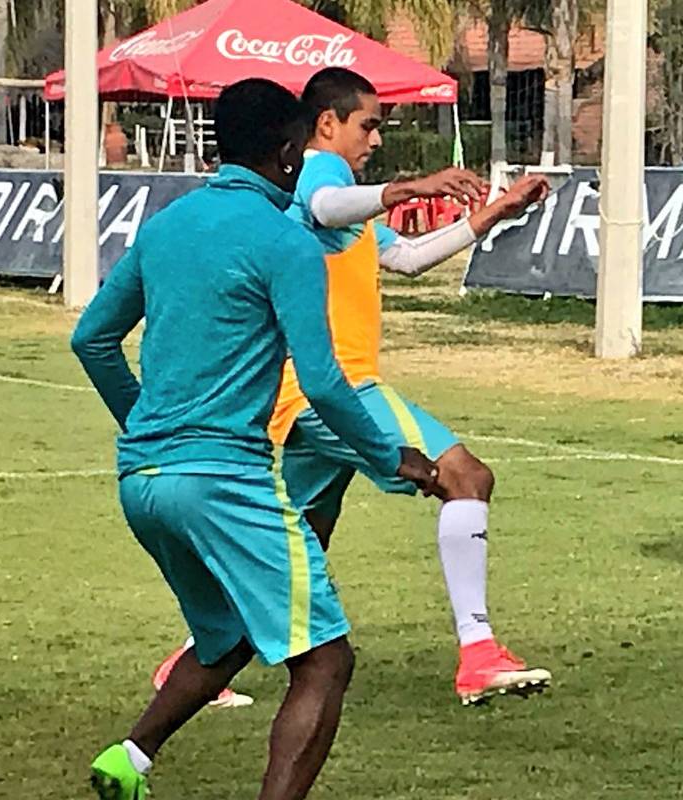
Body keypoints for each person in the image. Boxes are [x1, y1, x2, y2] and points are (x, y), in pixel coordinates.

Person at [72, 77, 437, 800]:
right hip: (224, 480)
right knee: (325, 660)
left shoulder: (168, 225)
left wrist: (147, 426)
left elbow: (92, 339)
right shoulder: (284, 240)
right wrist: (390, 456)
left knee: (232, 631)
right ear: (289, 153)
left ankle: (130, 757)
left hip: (142, 482)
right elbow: (324, 382)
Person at [155, 66, 554, 707]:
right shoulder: (320, 172)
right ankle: (479, 653)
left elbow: (407, 257)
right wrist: (409, 187)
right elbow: (323, 205)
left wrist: (495, 214)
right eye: (367, 126)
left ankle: (192, 661)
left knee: (301, 541)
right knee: (466, 478)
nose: (376, 139)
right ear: (326, 123)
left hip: (303, 401)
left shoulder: (342, 195)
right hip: (335, 390)